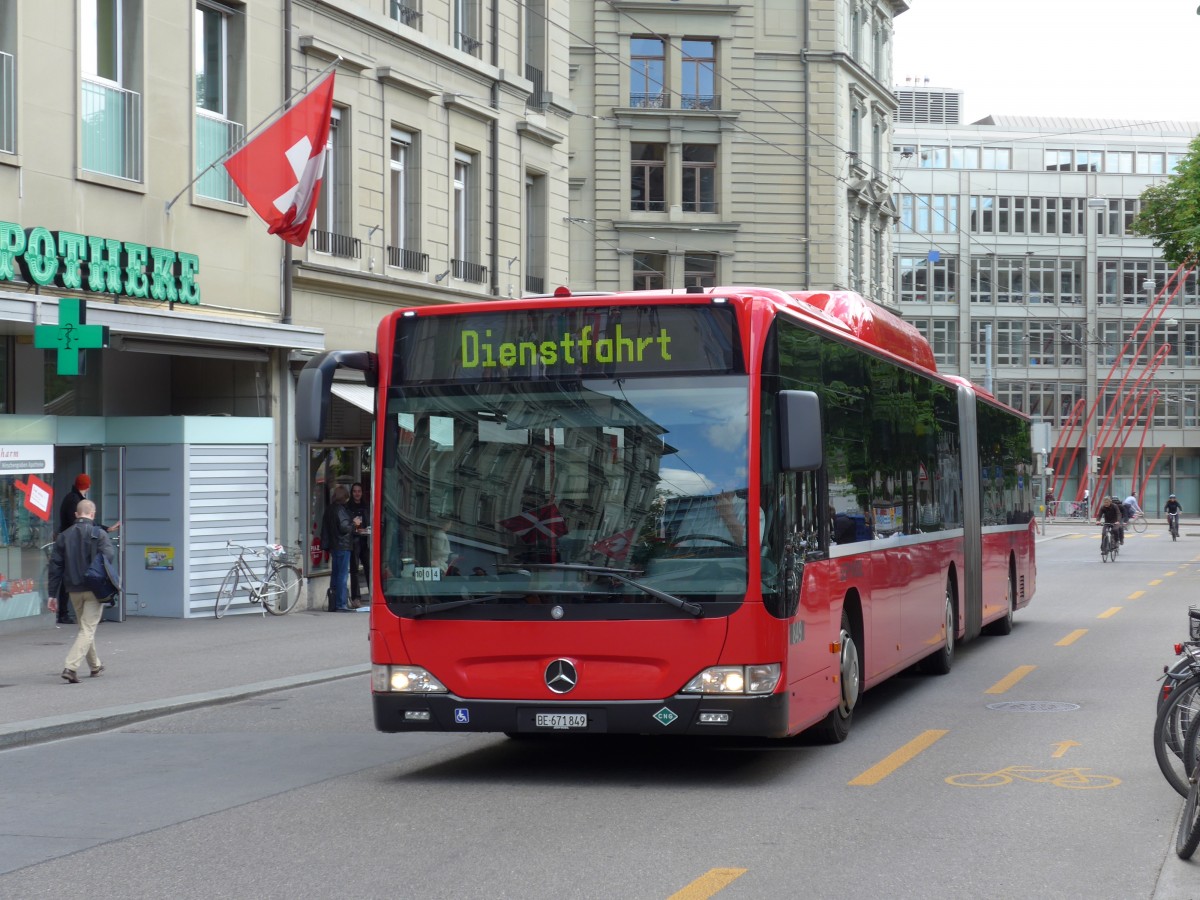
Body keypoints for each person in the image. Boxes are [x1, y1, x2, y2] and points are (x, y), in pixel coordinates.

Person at [48, 499, 113, 683]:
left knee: (85, 628)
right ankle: (71, 667)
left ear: (76, 514)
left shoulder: (64, 536)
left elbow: (55, 567)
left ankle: (95, 666)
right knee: (88, 628)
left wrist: (52, 594)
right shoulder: (99, 534)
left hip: (73, 589)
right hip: (94, 588)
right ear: (93, 514)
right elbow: (109, 556)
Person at [321, 485, 357, 612]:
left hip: (334, 546)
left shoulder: (329, 509)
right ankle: (341, 603)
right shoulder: (340, 510)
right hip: (343, 545)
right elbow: (344, 527)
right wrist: (354, 524)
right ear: (344, 497)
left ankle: (333, 602)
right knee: (342, 575)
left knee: (335, 574)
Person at [346, 482, 370, 607]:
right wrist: (354, 528)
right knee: (354, 569)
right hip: (354, 541)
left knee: (369, 568)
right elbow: (347, 525)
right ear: (352, 493)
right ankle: (356, 598)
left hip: (365, 540)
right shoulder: (348, 507)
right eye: (354, 491)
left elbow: (369, 521)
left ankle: (373, 594)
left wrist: (367, 529)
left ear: (361, 493)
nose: (357, 493)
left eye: (359, 491)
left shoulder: (366, 506)